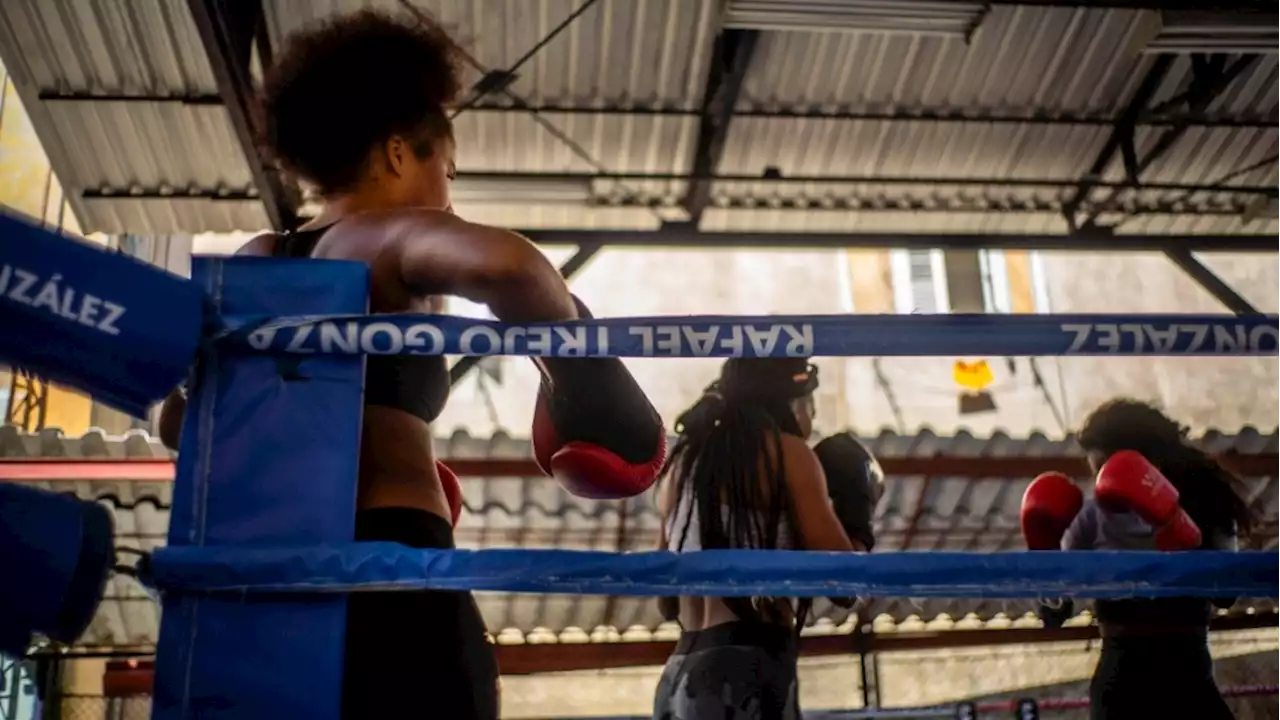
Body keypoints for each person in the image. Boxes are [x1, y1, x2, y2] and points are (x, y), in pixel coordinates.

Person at [157, 9, 665, 719]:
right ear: (399, 154)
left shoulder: (259, 258)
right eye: (445, 170)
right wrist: (576, 374)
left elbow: (181, 427)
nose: (447, 193)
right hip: (392, 560)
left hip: (271, 570)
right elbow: (513, 265)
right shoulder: (395, 236)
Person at [653, 358, 875, 720]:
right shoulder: (787, 454)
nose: (813, 416)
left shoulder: (683, 463)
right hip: (744, 668)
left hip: (679, 670)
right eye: (809, 403)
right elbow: (845, 586)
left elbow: (666, 603)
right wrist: (858, 514)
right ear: (789, 402)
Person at [1021, 399, 1251, 720]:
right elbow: (1054, 614)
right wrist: (1042, 553)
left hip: (1188, 674)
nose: (1101, 479)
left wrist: (1178, 529)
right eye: (1095, 469)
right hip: (1121, 682)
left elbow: (1227, 595)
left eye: (1106, 466)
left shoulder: (1207, 502)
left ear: (1148, 459)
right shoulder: (1091, 517)